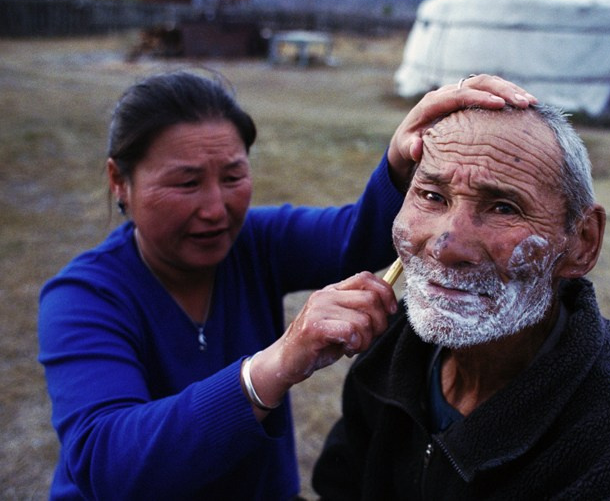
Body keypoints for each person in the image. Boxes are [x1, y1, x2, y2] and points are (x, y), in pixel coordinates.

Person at [37, 70, 537, 500]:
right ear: (118, 182)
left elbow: (354, 242)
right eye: (186, 183)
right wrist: (271, 368)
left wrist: (398, 164)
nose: (216, 208)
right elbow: (107, 461)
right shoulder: (84, 297)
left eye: (233, 176)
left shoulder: (253, 242)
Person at [312, 104, 610, 499]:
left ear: (582, 242)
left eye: (503, 208)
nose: (447, 246)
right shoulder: (393, 350)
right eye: (433, 196)